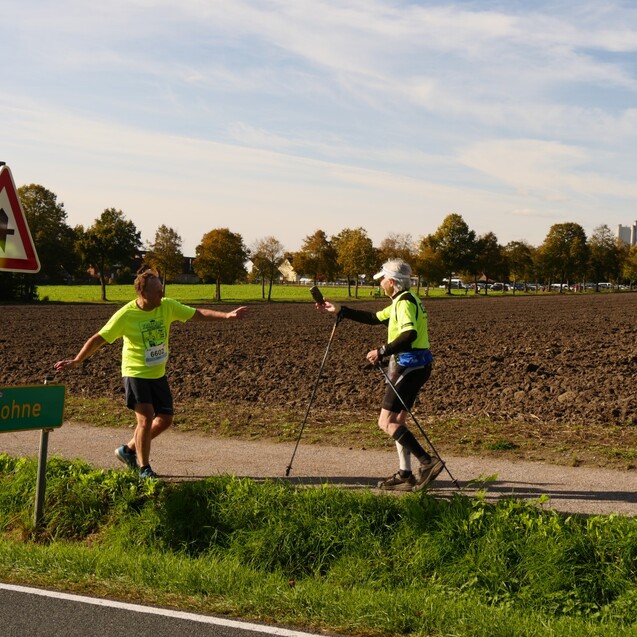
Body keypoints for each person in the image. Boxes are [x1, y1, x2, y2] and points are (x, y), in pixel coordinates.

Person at [54, 268, 248, 479]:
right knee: (145, 418)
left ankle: (128, 450)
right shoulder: (126, 315)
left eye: (162, 290)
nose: (162, 294)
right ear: (143, 293)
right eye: (157, 291)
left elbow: (197, 313)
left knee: (165, 419)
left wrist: (227, 316)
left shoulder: (167, 306)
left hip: (157, 373)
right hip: (135, 372)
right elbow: (98, 338)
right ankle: (144, 468)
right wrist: (77, 360)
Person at [317, 258, 443, 492]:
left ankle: (428, 462)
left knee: (385, 422)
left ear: (392, 282)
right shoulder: (404, 300)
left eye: (383, 278)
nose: (381, 283)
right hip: (418, 366)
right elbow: (374, 318)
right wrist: (341, 310)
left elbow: (409, 335)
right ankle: (405, 474)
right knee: (398, 422)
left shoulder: (403, 303)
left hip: (408, 366)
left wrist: (381, 351)